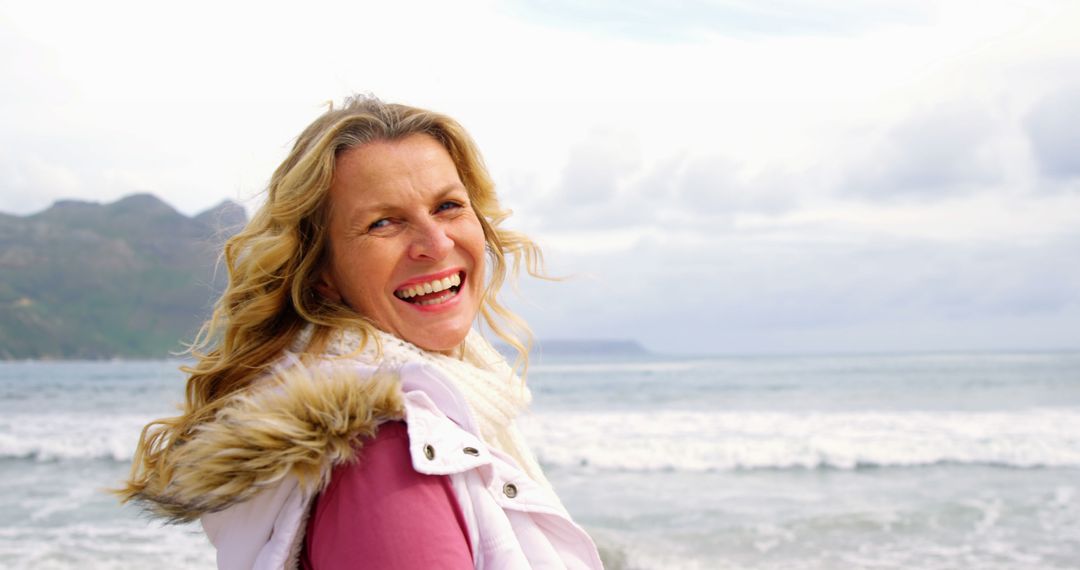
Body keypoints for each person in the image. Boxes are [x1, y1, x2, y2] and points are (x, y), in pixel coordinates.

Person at [118, 95, 603, 569]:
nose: (435, 244)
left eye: (448, 206)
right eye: (383, 222)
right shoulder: (387, 453)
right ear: (321, 273)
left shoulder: (444, 408)